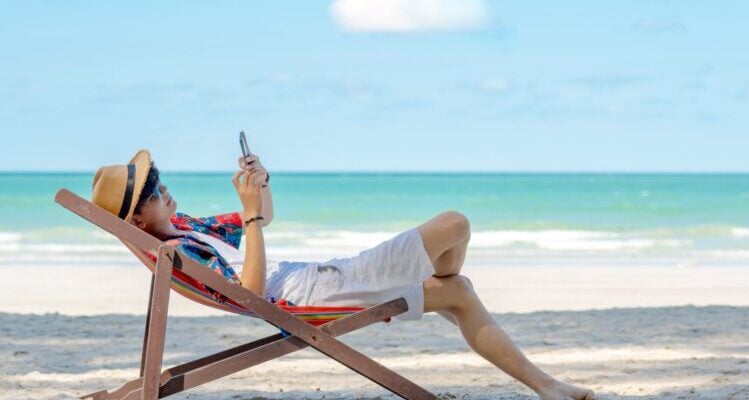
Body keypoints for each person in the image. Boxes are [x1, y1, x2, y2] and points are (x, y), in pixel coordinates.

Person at [91, 149, 594, 400]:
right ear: (136, 220)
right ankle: (449, 306)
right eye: (154, 190)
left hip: (316, 279)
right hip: (318, 293)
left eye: (157, 180)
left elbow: (262, 218)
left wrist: (257, 188)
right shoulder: (177, 252)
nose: (165, 189)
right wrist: (247, 215)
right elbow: (248, 293)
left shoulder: (183, 227)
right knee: (455, 225)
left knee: (457, 290)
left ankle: (546, 388)